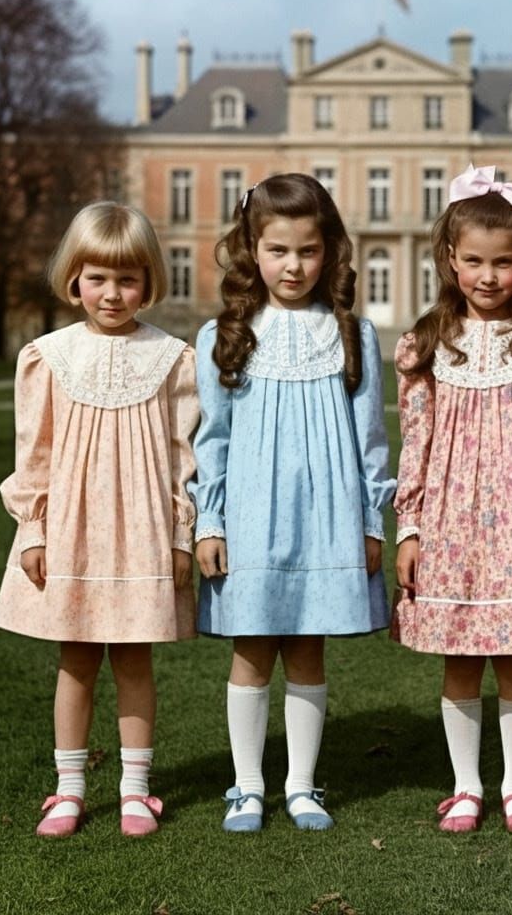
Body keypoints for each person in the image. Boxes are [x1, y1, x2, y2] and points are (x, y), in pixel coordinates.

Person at [191, 173, 394, 833]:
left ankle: (303, 784)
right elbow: (211, 439)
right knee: (251, 649)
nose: (294, 265)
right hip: (252, 515)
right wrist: (210, 520)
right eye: (278, 251)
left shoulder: (354, 334)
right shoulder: (225, 335)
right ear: (253, 250)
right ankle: (247, 787)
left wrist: (371, 522)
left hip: (327, 518)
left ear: (328, 251)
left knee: (308, 648)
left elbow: (371, 440)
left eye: (308, 251)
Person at [0, 201, 197, 838]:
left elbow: (180, 457)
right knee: (76, 658)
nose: (113, 293)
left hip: (141, 532)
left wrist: (181, 534)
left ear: (149, 281)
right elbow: (36, 453)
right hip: (73, 533)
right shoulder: (48, 357)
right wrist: (34, 528)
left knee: (134, 659)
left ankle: (137, 789)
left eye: (128, 278)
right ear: (73, 279)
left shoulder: (171, 357)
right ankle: (70, 788)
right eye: (98, 278)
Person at [391, 164, 512, 834]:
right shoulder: (426, 345)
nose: (487, 276)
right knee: (462, 658)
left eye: (502, 263)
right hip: (449, 522)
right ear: (449, 258)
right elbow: (413, 444)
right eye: (473, 260)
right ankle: (466, 785)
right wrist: (409, 529)